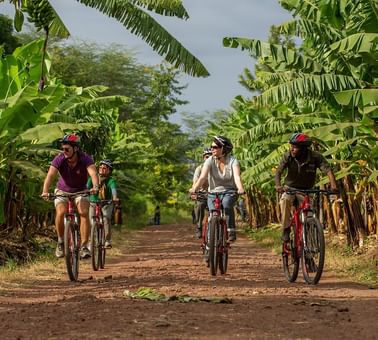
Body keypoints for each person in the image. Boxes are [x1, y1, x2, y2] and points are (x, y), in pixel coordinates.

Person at [41, 134, 99, 259]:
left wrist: (95, 186)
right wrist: (45, 190)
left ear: (76, 148)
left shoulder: (85, 159)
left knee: (83, 213)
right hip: (62, 191)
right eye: (63, 149)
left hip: (80, 191)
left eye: (67, 149)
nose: (64, 152)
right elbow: (50, 175)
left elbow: (93, 173)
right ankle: (61, 242)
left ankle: (84, 246)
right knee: (61, 213)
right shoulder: (59, 158)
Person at [275, 132, 338, 242]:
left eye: (295, 147)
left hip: (306, 190)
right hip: (289, 189)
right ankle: (285, 229)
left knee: (309, 217)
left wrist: (333, 186)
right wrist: (278, 185)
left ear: (304, 149)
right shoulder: (288, 156)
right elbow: (279, 171)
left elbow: (328, 170)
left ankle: (309, 250)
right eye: (291, 147)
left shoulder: (316, 157)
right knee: (285, 201)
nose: (292, 149)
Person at [190, 136, 245, 242]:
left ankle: (231, 231)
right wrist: (195, 189)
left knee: (227, 205)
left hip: (229, 192)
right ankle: (209, 243)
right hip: (212, 193)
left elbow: (237, 177)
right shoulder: (209, 160)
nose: (212, 149)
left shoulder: (233, 161)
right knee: (212, 213)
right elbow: (202, 177)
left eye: (215, 147)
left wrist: (240, 188)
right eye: (212, 147)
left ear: (224, 149)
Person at [88, 159, 120, 249]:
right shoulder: (93, 178)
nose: (102, 169)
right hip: (93, 203)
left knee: (106, 218)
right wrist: (87, 191)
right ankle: (92, 241)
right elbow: (86, 187)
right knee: (91, 221)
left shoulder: (110, 180)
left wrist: (114, 197)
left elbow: (113, 189)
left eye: (105, 168)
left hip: (107, 203)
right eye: (100, 167)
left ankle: (107, 240)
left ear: (109, 171)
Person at [191, 147, 212, 238]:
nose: (209, 158)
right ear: (204, 158)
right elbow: (195, 182)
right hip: (203, 194)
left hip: (216, 194)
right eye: (207, 157)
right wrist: (194, 191)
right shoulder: (199, 169)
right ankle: (199, 227)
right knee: (200, 205)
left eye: (211, 156)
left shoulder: (219, 167)